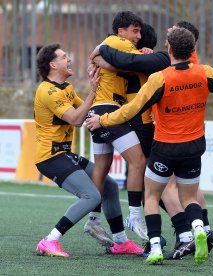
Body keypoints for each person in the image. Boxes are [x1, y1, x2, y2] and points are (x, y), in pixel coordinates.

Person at [85, 27, 213, 265]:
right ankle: (199, 228)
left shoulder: (160, 78)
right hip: (194, 147)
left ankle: (155, 245)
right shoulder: (204, 72)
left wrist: (101, 120)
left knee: (152, 195)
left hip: (165, 148)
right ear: (193, 50)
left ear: (169, 49)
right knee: (189, 198)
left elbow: (129, 110)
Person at [96, 21, 213, 260]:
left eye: (172, 32)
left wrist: (101, 51)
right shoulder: (192, 65)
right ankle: (202, 228)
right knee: (187, 188)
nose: (167, 33)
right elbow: (132, 64)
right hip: (192, 133)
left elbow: (128, 64)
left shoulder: (167, 62)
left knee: (162, 188)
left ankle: (182, 235)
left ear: (177, 42)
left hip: (165, 133)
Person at [34, 44, 141, 257]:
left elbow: (89, 112)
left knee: (109, 186)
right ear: (53, 65)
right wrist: (93, 92)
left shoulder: (67, 88)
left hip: (63, 153)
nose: (69, 59)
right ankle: (49, 240)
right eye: (65, 57)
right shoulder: (47, 91)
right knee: (91, 196)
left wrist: (104, 110)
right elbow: (76, 119)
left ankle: (120, 242)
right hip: (50, 157)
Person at [85, 11, 148, 244]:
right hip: (109, 111)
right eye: (135, 30)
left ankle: (92, 218)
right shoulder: (117, 42)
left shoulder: (109, 46)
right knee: (138, 161)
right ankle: (134, 215)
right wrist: (145, 57)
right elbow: (139, 65)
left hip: (97, 110)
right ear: (120, 31)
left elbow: (123, 63)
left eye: (140, 31)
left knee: (102, 167)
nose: (138, 36)